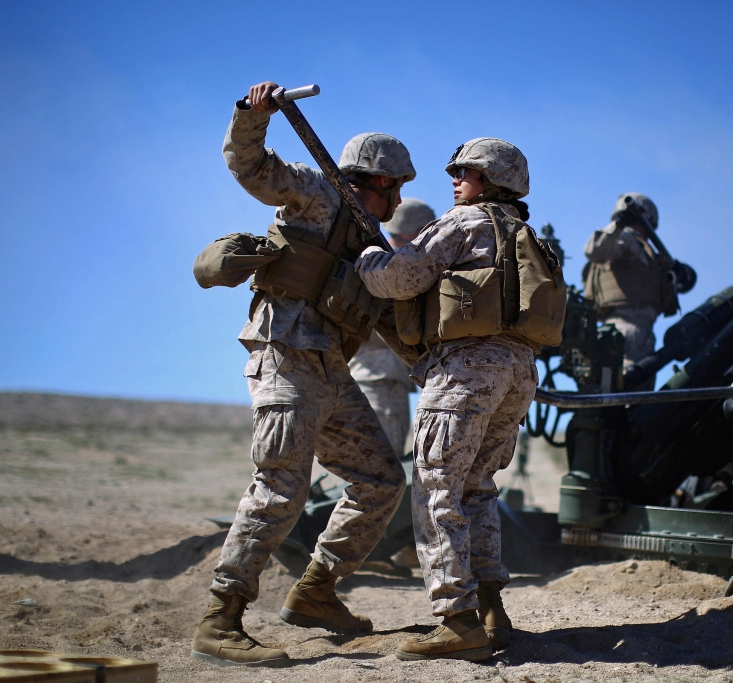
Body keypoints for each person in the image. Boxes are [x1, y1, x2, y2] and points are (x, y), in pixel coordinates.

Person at [191, 81, 412, 667]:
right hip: (285, 355)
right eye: (397, 191)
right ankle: (221, 618)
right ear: (383, 185)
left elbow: (395, 328)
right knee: (281, 488)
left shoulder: (373, 246)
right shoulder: (318, 194)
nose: (397, 203)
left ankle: (316, 592)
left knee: (381, 480)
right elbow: (251, 166)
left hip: (330, 370)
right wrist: (251, 114)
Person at [356, 138, 541, 661]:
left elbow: (401, 278)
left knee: (437, 490)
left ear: (493, 178)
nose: (455, 178)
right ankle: (490, 613)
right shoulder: (523, 232)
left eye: (466, 171)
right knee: (478, 488)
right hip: (519, 370)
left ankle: (457, 620)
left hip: (465, 371)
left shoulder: (463, 222)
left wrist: (369, 256)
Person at [349, 199, 435, 456]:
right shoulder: (387, 266)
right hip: (378, 379)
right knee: (381, 466)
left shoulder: (377, 261)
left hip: (383, 377)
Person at [583, 193, 696, 390]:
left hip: (642, 333)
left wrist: (679, 272)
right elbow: (595, 250)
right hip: (622, 332)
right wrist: (617, 227)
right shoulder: (625, 239)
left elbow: (678, 285)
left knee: (638, 396)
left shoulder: (651, 252)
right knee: (623, 391)